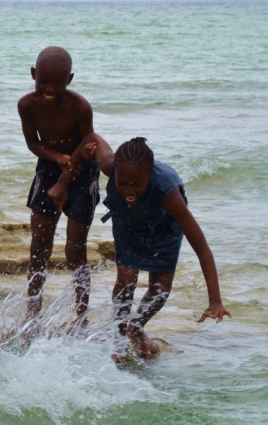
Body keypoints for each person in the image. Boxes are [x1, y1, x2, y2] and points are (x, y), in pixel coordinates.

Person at [79, 135, 231, 358]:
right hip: (127, 223)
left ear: (149, 176)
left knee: (160, 290)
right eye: (122, 183)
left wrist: (215, 300)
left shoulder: (168, 193)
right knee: (126, 277)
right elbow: (94, 137)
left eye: (137, 184)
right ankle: (119, 336)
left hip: (164, 229)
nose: (129, 190)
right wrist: (83, 152)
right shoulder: (108, 166)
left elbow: (202, 248)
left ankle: (137, 326)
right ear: (115, 171)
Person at [17, 46, 99, 327]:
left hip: (82, 170)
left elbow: (88, 144)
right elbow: (32, 143)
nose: (50, 89)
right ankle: (32, 314)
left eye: (59, 83)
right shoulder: (26, 105)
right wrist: (57, 158)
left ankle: (81, 316)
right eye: (43, 81)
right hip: (49, 168)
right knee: (39, 246)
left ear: (70, 80)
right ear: (33, 75)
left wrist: (66, 176)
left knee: (75, 249)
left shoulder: (80, 107)